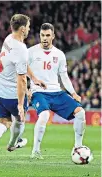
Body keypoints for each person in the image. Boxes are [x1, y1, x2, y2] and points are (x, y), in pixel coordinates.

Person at [0, 14, 46, 162]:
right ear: (22, 29)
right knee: (19, 119)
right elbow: (21, 79)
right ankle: (12, 143)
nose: (29, 29)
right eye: (28, 26)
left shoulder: (8, 39)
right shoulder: (21, 49)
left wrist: (34, 78)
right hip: (11, 94)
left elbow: (20, 64)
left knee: (3, 123)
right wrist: (21, 105)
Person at [28, 23, 85, 159]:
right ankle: (35, 151)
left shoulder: (59, 54)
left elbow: (64, 77)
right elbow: (21, 71)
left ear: (53, 36)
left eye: (48, 35)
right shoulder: (30, 52)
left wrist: (73, 93)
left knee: (81, 113)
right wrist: (27, 89)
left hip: (56, 92)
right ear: (39, 36)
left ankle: (77, 147)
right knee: (44, 115)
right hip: (39, 92)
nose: (45, 38)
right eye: (42, 35)